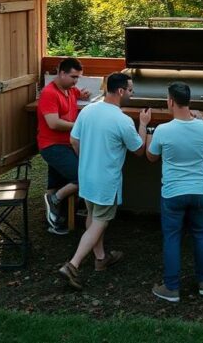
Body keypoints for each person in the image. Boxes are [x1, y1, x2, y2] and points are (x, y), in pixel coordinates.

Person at [58, 72, 150, 290]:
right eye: (130, 89)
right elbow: (138, 150)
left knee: (92, 216)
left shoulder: (88, 110)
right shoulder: (123, 120)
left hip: (87, 175)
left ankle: (100, 259)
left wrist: (85, 159)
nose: (131, 93)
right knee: (101, 220)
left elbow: (73, 139)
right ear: (120, 91)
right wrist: (144, 124)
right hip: (105, 181)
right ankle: (73, 264)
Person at [146, 81, 203, 302]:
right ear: (190, 101)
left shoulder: (163, 130)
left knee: (172, 237)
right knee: (200, 234)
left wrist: (148, 130)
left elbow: (151, 157)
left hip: (173, 194)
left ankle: (171, 288)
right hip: (200, 192)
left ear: (170, 101)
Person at [37, 57, 91, 235]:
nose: (76, 81)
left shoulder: (70, 90)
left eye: (78, 78)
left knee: (56, 180)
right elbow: (53, 123)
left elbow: (77, 94)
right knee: (83, 177)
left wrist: (82, 94)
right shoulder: (49, 93)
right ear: (61, 73)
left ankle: (54, 221)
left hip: (67, 143)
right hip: (52, 146)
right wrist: (79, 126)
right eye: (73, 77)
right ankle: (54, 199)